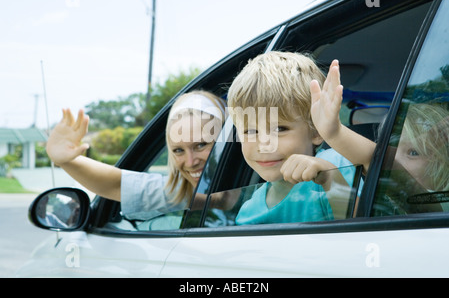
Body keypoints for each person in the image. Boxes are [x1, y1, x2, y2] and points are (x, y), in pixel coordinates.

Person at [46, 90, 227, 220]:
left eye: (201, 145)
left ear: (226, 139)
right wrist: (66, 160)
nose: (190, 162)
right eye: (178, 150)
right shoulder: (183, 192)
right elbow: (116, 184)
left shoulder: (254, 184)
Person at [226, 51, 360, 225]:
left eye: (279, 128)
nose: (264, 144)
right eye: (251, 132)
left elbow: (361, 224)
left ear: (316, 131)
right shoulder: (248, 212)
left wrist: (329, 179)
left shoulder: (335, 165)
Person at [310, 59, 449, 212]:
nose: (394, 158)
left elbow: (382, 164)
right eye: (390, 147)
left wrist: (335, 133)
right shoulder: (376, 198)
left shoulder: (436, 204)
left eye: (413, 152)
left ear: (443, 164)